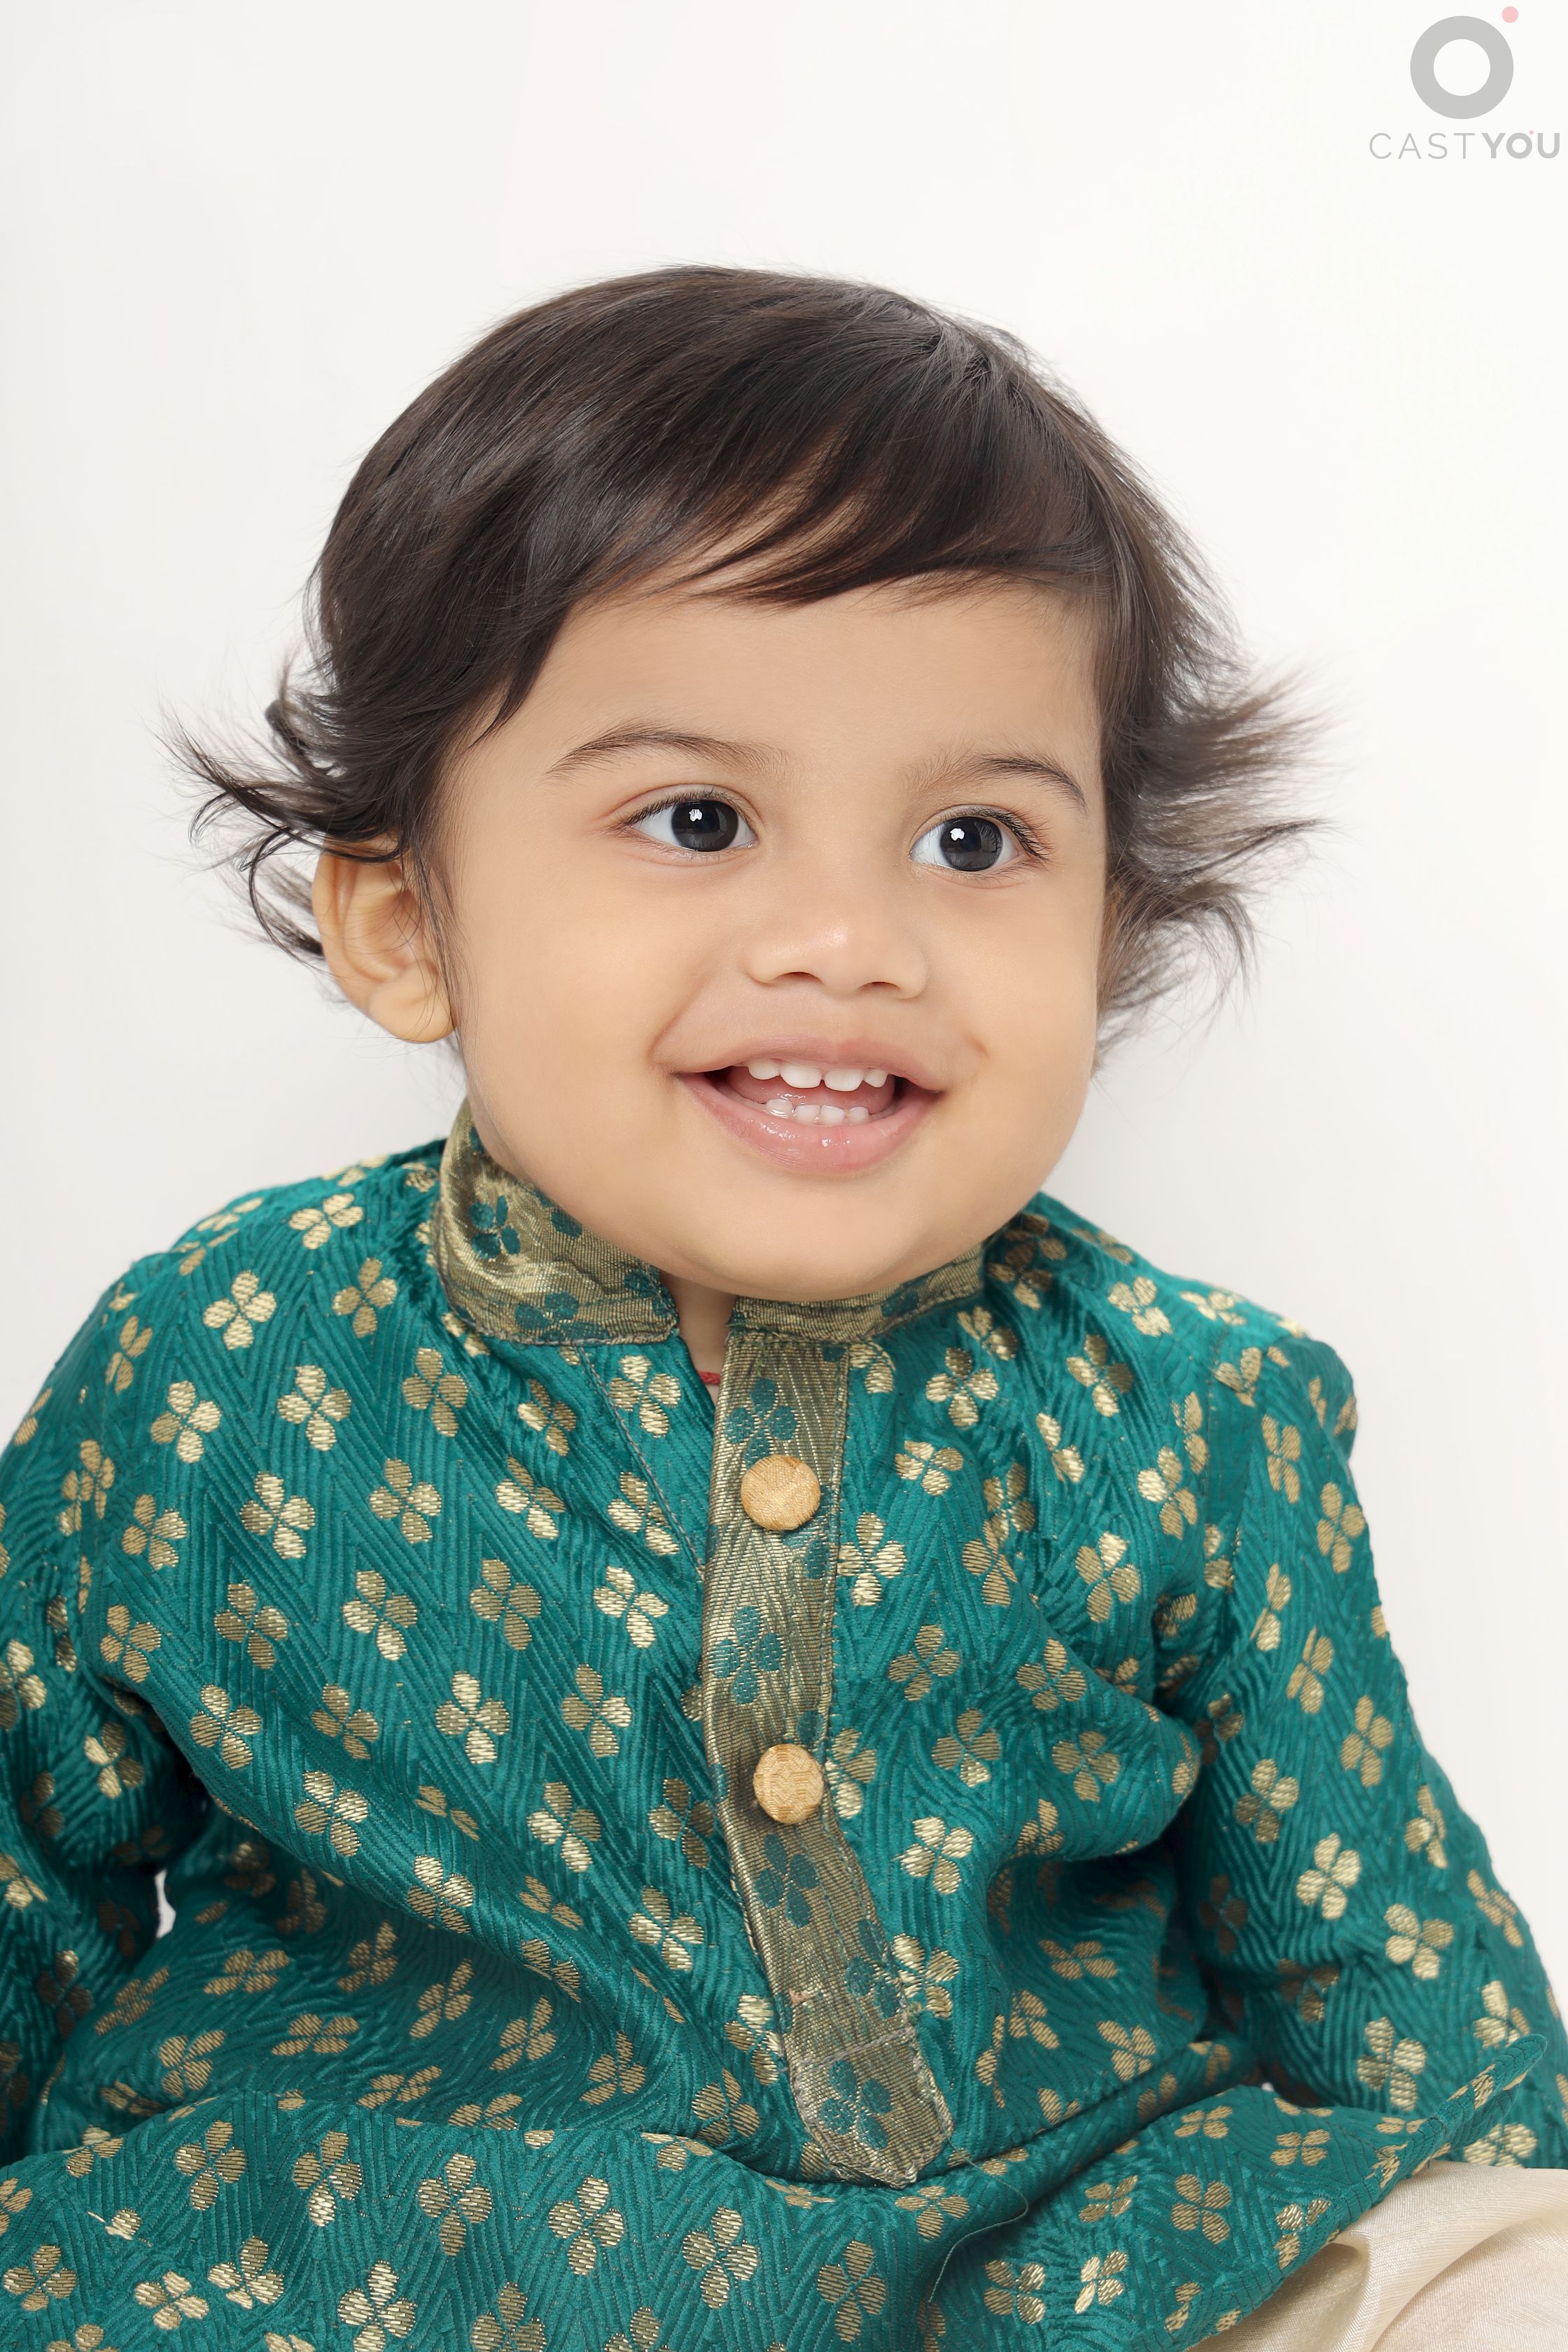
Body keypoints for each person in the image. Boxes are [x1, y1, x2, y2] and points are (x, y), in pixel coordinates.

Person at [1, 267, 1562, 2351]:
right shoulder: (223, 1363)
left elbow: (1382, 1958)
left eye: (974, 839)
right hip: (360, 2266)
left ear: (1112, 924)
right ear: (402, 921)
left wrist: (1491, 2220)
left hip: (1066, 2263)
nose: (850, 937)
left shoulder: (1190, 1408)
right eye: (698, 820)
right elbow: (23, 1869)